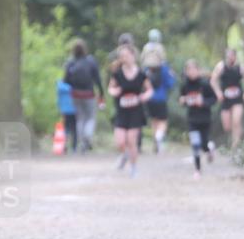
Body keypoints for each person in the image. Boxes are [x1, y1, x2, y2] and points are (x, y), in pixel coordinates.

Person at [108, 44, 153, 177]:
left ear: (133, 56)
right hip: (122, 111)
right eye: (122, 56)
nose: (124, 58)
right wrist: (114, 91)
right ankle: (125, 155)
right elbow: (110, 88)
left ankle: (133, 167)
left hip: (135, 111)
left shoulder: (141, 74)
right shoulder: (117, 74)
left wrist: (144, 97)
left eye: (126, 55)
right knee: (120, 141)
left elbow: (150, 89)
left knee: (132, 140)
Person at [63, 39, 105, 153]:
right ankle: (87, 137)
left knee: (79, 119)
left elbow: (65, 80)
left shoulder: (70, 63)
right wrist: (101, 93)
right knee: (90, 117)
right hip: (89, 94)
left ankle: (82, 142)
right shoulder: (91, 61)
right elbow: (97, 79)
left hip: (75, 95)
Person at [178, 60, 218, 179]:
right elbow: (183, 99)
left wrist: (204, 102)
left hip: (205, 119)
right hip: (192, 119)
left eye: (193, 69)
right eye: (188, 70)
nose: (191, 72)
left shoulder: (205, 84)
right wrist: (183, 101)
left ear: (198, 70)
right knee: (195, 144)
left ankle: (209, 150)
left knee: (204, 143)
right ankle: (197, 169)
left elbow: (214, 99)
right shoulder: (185, 85)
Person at [211, 48, 244, 150]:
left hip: (238, 99)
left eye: (232, 55)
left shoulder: (240, 67)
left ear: (235, 56)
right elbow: (213, 81)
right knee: (227, 126)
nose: (230, 58)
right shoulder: (220, 66)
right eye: (228, 55)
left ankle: (236, 145)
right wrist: (218, 93)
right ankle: (236, 135)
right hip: (225, 99)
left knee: (236, 121)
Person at [144, 56, 177, 153]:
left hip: (149, 99)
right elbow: (170, 84)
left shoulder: (147, 69)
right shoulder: (165, 68)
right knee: (163, 122)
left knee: (154, 121)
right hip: (161, 99)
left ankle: (155, 143)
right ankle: (159, 137)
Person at [57, 79, 78, 153]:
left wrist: (59, 108)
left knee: (66, 128)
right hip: (75, 109)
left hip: (64, 110)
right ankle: (74, 147)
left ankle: (65, 146)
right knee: (74, 129)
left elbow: (58, 98)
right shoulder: (75, 84)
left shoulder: (60, 85)